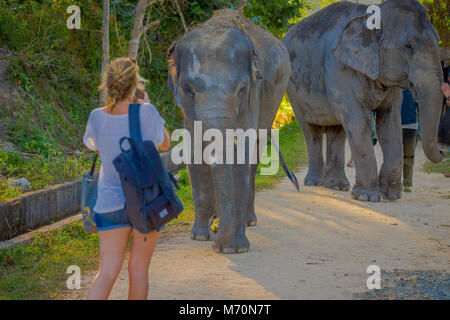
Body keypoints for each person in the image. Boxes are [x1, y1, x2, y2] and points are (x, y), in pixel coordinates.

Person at [83, 57, 170, 300]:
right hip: (146, 202)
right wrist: (150, 108)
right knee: (138, 269)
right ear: (136, 84)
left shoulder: (96, 117)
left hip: (109, 202)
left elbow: (101, 151)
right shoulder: (146, 111)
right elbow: (164, 143)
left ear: (107, 83)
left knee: (107, 272)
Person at [401, 89, 418, 193]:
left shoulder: (414, 90)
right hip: (394, 127)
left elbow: (421, 109)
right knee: (395, 156)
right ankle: (394, 181)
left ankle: (407, 183)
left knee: (409, 156)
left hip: (411, 127)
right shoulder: (394, 89)